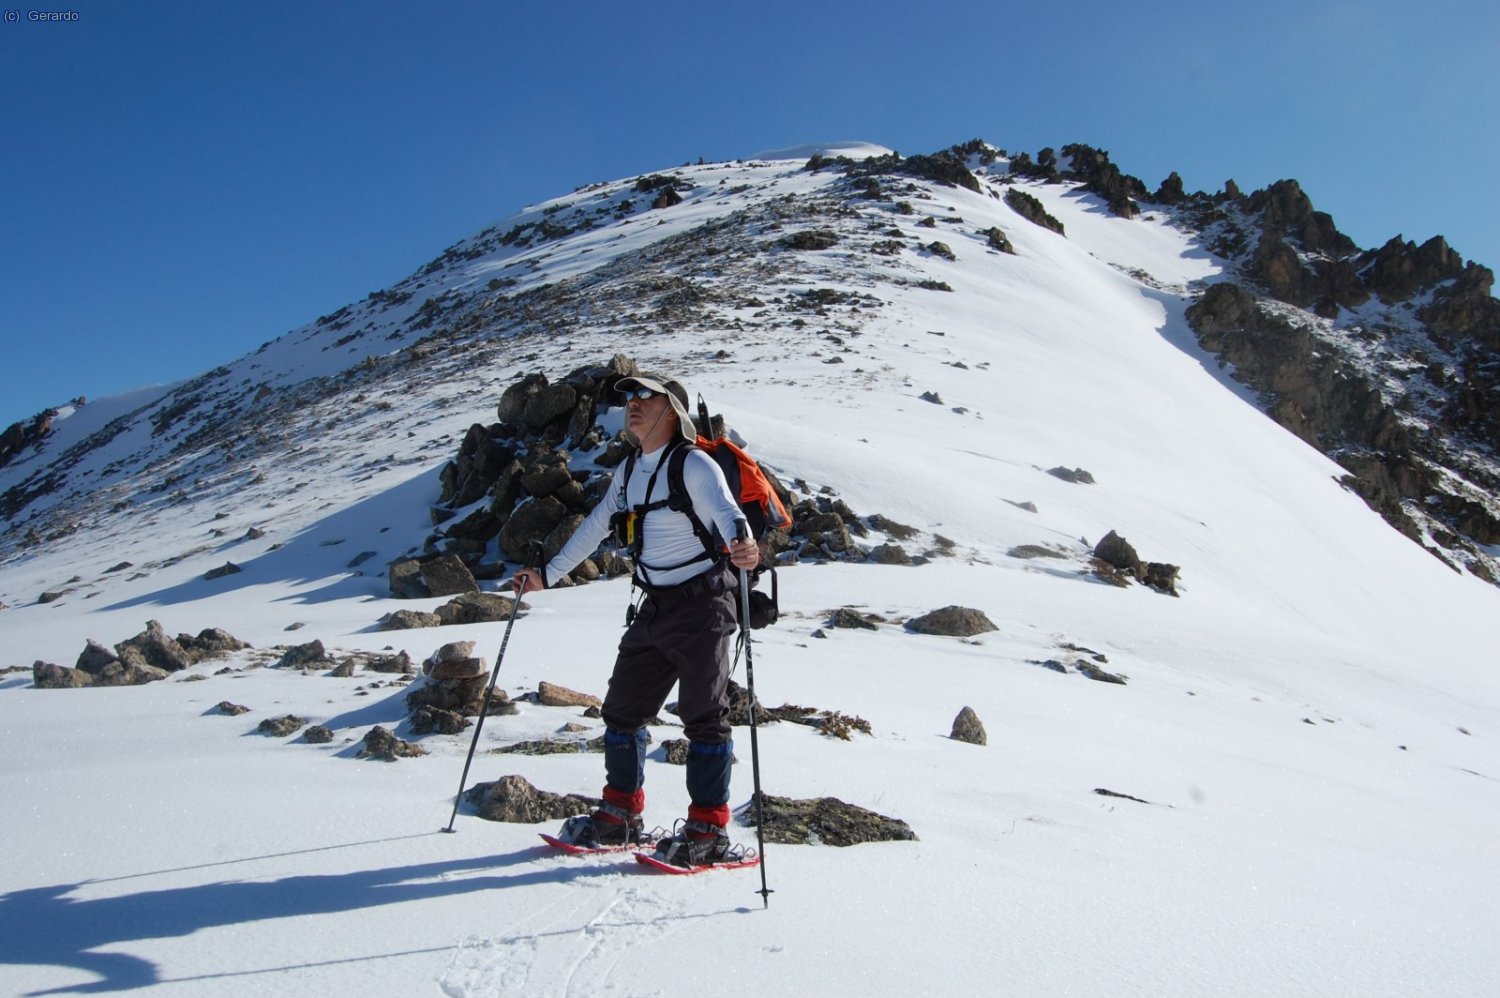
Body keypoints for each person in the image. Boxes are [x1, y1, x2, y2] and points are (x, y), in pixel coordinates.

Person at [512, 373, 760, 866]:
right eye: (628, 397)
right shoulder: (629, 471)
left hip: (705, 603)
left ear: (673, 412)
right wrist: (547, 575)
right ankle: (620, 814)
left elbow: (730, 514)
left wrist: (744, 544)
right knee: (622, 710)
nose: (632, 404)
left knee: (704, 715)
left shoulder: (694, 464)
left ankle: (709, 828)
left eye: (645, 396)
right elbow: (595, 526)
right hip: (654, 605)